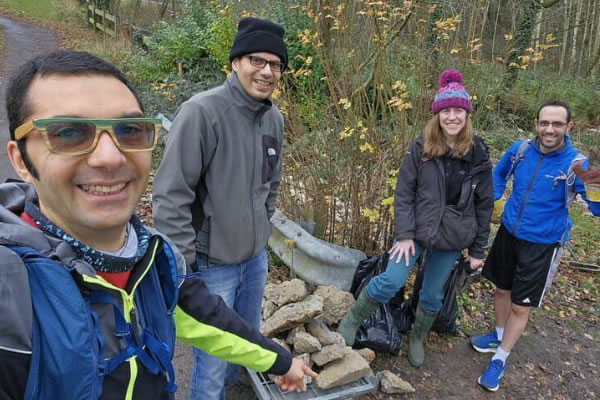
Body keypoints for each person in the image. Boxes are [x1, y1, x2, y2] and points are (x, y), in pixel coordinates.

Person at [0, 50, 316, 400]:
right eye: (68, 132)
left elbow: (214, 322)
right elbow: (174, 191)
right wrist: (192, 254)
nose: (109, 157)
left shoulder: (154, 264)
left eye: (130, 130)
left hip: (250, 255)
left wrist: (282, 362)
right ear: (20, 160)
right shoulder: (11, 295)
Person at [152, 16, 287, 400]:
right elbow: (170, 193)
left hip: (254, 260)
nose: (266, 71)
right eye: (256, 61)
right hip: (212, 265)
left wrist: (262, 225)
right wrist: (185, 264)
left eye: (275, 65)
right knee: (210, 368)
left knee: (242, 344)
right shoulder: (202, 113)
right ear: (235, 62)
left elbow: (271, 183)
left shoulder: (273, 120)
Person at [337, 70, 493, 367]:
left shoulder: (479, 155)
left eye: (458, 110)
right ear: (437, 115)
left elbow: (484, 205)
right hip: (415, 232)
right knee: (390, 280)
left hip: (451, 238)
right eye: (446, 110)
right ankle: (353, 319)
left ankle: (417, 337)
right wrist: (405, 234)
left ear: (467, 114)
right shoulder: (421, 148)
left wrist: (477, 251)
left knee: (433, 296)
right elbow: (404, 193)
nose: (452, 117)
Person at [470, 100, 600, 392]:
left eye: (556, 124)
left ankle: (500, 358)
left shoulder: (576, 164)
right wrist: (494, 197)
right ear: (537, 124)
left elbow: (596, 209)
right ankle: (499, 334)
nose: (549, 129)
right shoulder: (520, 150)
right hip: (509, 232)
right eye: (544, 123)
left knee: (520, 305)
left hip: (542, 245)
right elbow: (499, 174)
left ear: (569, 127)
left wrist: (596, 183)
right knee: (501, 289)